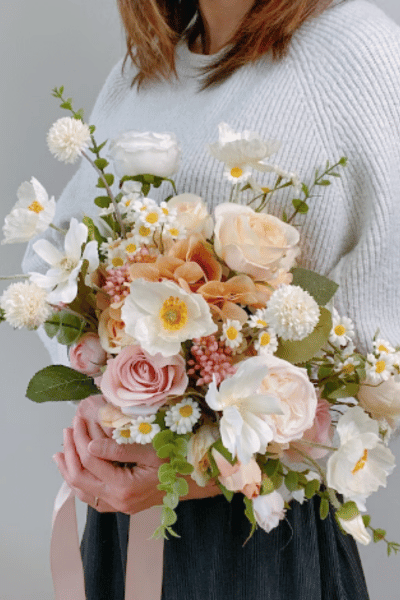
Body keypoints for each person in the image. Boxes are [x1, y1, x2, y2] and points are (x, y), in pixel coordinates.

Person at [22, 0, 400, 598]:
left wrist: (198, 465)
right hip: (125, 517)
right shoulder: (143, 70)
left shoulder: (353, 49)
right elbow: (53, 256)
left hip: (259, 532)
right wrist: (111, 389)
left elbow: (389, 333)